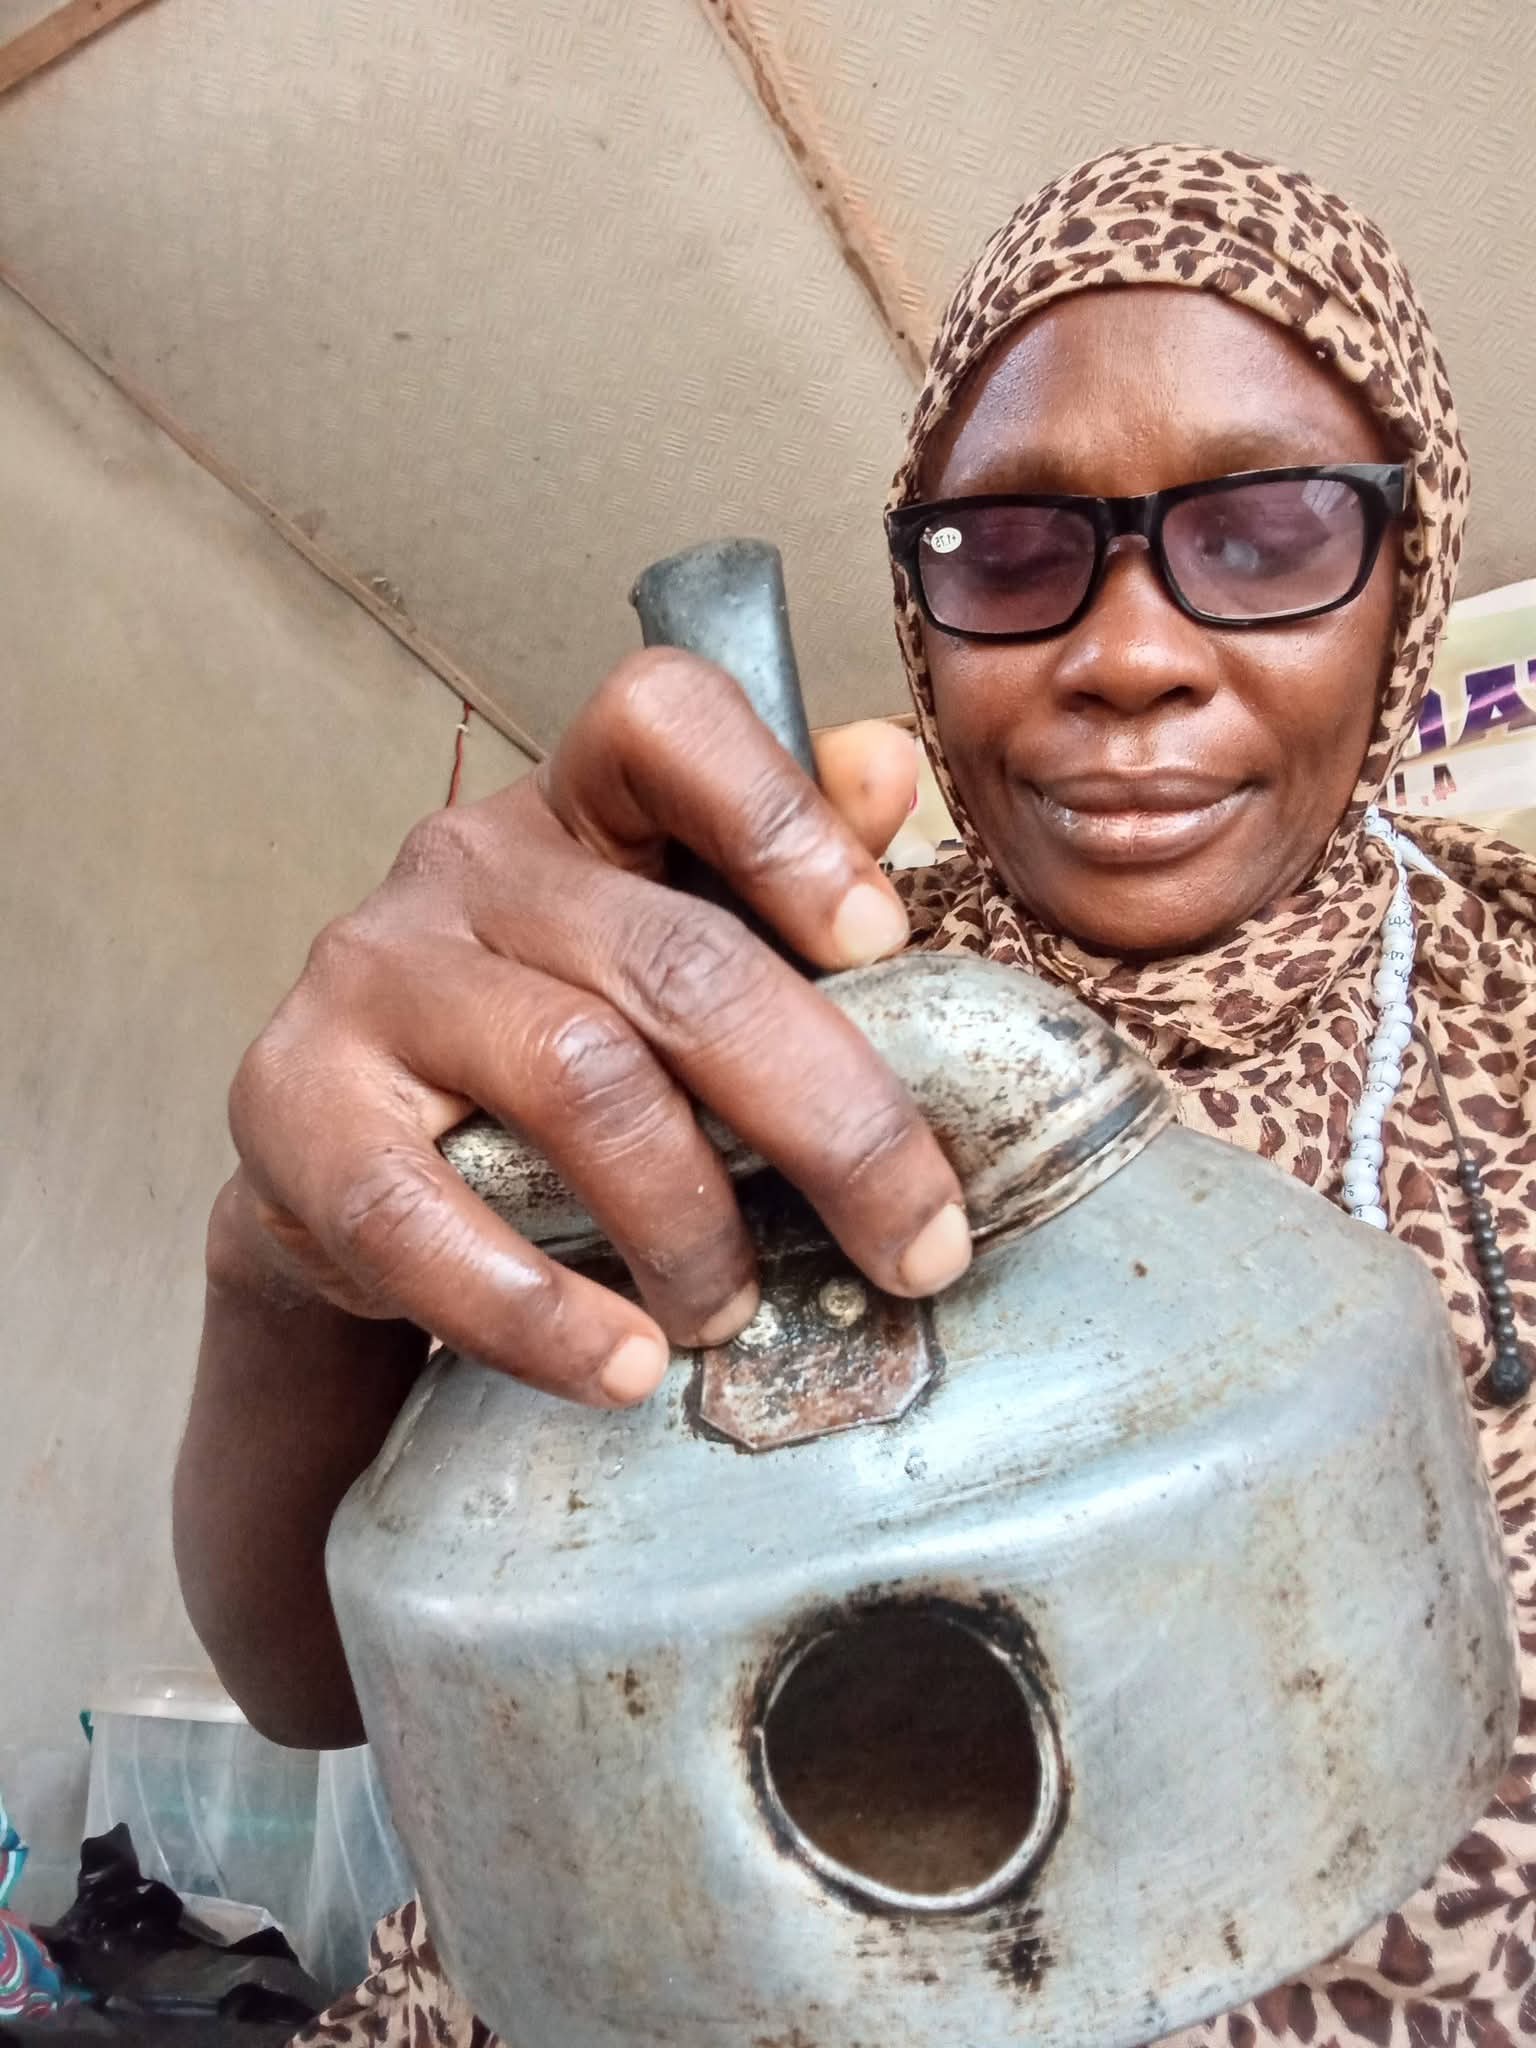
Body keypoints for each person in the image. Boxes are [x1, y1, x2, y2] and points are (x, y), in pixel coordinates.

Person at [175, 143, 1536, 2048]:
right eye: (1014, 552)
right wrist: (278, 1267)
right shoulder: (734, 1000)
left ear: (1412, 563)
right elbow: (315, 1688)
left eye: (1270, 532)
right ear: (917, 597)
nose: (1132, 653)